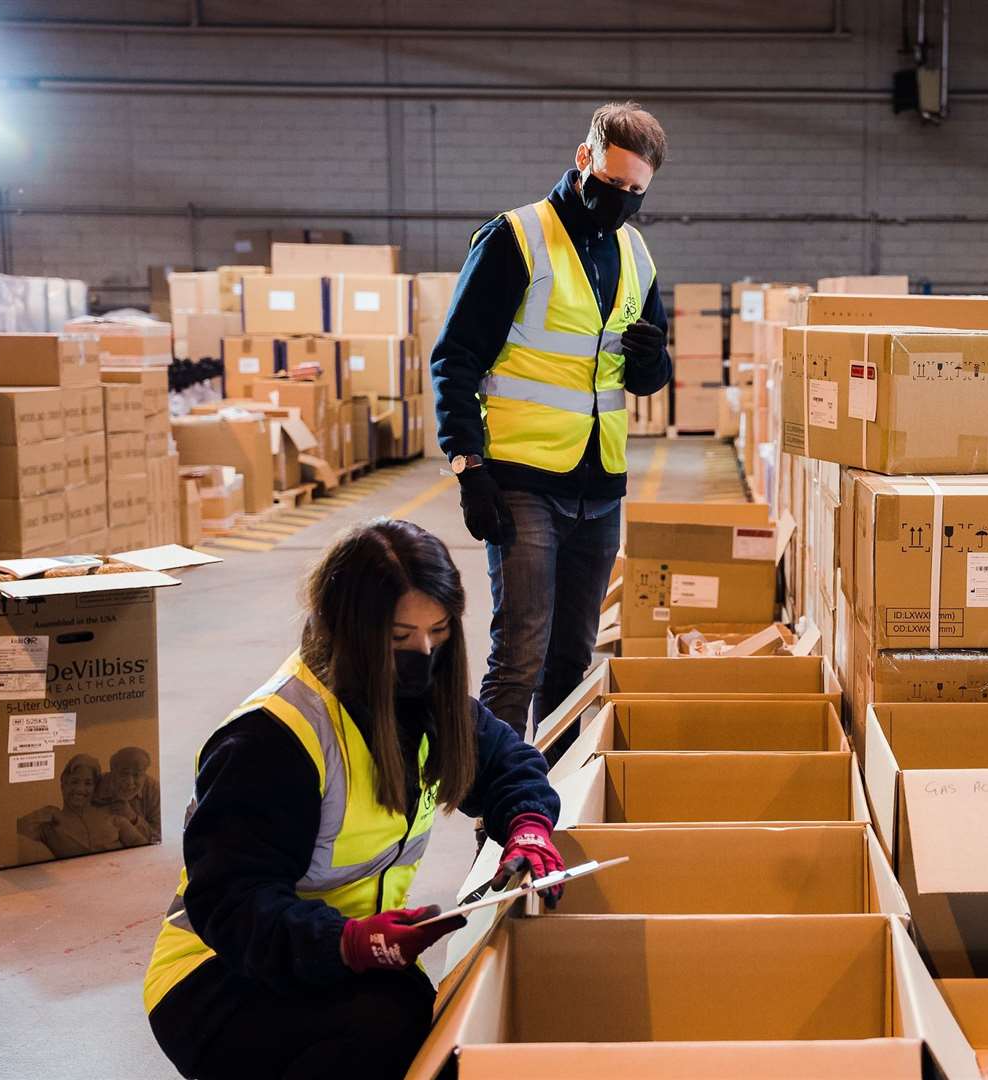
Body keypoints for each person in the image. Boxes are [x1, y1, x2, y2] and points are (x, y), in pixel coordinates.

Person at [143, 519, 567, 1080]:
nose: (422, 654)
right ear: (348, 629)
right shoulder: (274, 739)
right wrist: (347, 943)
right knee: (388, 1023)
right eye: (398, 639)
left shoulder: (420, 701)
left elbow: (508, 763)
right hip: (220, 976)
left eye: (437, 634)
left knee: (422, 1018)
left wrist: (530, 826)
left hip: (335, 954)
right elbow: (233, 904)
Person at [432, 101, 672, 753]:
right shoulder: (517, 238)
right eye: (611, 182)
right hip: (521, 482)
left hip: (600, 489)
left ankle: (553, 802)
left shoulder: (636, 253)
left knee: (572, 662)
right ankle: (499, 826)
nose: (619, 201)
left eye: (634, 192)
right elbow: (454, 359)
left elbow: (646, 379)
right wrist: (467, 466)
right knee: (519, 660)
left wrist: (653, 360)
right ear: (583, 158)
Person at [16, 753, 148, 858]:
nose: (80, 789)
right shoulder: (49, 825)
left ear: (95, 787)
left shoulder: (113, 817)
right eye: (74, 782)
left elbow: (142, 849)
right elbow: (14, 833)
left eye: (88, 783)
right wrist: (43, 814)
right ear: (63, 784)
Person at [96, 744, 161, 844]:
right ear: (112, 772)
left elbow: (158, 838)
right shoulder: (97, 786)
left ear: (144, 774)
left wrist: (134, 819)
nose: (130, 782)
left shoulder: (153, 790)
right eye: (124, 773)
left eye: (136, 775)